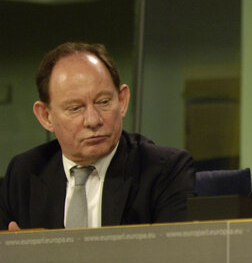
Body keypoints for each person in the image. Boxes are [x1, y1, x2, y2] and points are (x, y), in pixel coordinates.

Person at [0, 42, 195, 230]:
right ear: (46, 116)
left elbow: (174, 257)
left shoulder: (164, 170)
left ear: (122, 101)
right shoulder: (25, 172)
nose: (93, 120)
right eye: (75, 108)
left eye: (103, 102)